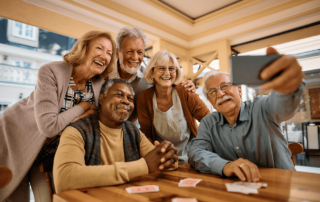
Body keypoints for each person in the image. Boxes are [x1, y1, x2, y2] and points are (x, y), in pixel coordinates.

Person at [0, 30, 117, 202]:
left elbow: (94, 123)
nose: (104, 56)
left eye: (109, 53)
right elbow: (49, 126)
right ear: (84, 49)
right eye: (99, 48)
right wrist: (82, 107)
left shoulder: (99, 85)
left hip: (49, 155)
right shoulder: (51, 71)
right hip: (16, 140)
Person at [188, 47, 304, 182]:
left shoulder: (261, 107)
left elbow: (283, 107)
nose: (220, 94)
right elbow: (196, 152)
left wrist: (287, 87)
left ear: (239, 90)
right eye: (213, 92)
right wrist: (224, 166)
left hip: (279, 186)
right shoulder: (208, 123)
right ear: (211, 102)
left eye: (225, 86)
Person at [53, 79, 178, 193]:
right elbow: (65, 178)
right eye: (119, 95)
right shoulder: (76, 131)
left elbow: (157, 162)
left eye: (130, 99)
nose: (126, 101)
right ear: (102, 99)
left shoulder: (133, 131)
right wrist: (143, 166)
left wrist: (168, 157)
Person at [108, 26, 196, 124]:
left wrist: (186, 86)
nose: (135, 57)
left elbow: (169, 86)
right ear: (117, 53)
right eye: (129, 51)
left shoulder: (149, 77)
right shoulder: (103, 74)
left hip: (130, 135)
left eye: (140, 52)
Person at [137, 50, 210, 164]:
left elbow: (208, 120)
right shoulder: (143, 98)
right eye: (161, 68)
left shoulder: (185, 91)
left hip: (192, 158)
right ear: (152, 73)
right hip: (163, 159)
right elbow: (147, 134)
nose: (167, 73)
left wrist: (200, 147)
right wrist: (157, 157)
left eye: (171, 69)